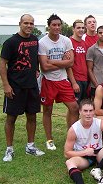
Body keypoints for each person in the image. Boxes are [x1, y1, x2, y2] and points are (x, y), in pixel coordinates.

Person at [0, 14, 45, 161]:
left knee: (32, 116)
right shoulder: (11, 42)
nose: (29, 26)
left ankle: (30, 146)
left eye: (31, 23)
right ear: (20, 23)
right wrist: (6, 85)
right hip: (15, 87)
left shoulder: (34, 40)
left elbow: (35, 58)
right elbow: (2, 64)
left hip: (31, 86)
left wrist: (37, 69)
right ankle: (9, 149)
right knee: (11, 118)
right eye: (26, 23)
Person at [38, 14, 79, 151]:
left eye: (58, 25)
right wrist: (62, 62)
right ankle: (49, 139)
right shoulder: (42, 42)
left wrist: (51, 61)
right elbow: (44, 67)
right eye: (53, 25)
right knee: (47, 110)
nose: (56, 27)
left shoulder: (66, 40)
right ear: (49, 26)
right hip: (48, 81)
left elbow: (71, 62)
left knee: (74, 107)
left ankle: (71, 136)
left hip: (62, 80)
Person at [64, 99, 103, 184]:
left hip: (99, 154)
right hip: (84, 157)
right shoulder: (74, 129)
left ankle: (98, 168)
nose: (88, 114)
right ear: (80, 112)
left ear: (94, 112)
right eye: (85, 111)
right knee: (69, 162)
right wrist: (84, 152)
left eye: (91, 111)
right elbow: (67, 153)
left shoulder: (99, 122)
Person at [67, 20, 89, 103]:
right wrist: (73, 83)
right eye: (78, 28)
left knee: (82, 106)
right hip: (76, 79)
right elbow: (68, 65)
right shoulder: (69, 42)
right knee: (74, 107)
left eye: (83, 28)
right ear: (73, 29)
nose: (81, 30)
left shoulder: (84, 43)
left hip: (85, 79)